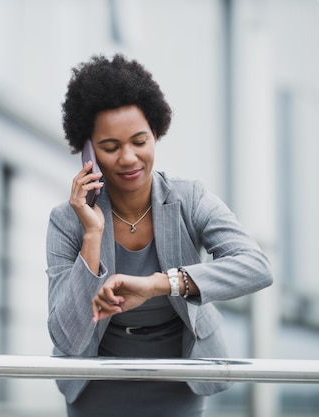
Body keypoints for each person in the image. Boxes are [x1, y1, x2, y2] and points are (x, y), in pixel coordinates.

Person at [45, 53, 273, 417]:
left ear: (156, 134)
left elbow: (257, 267)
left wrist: (160, 284)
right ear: (88, 152)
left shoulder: (189, 198)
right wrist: (92, 234)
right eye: (110, 147)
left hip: (179, 376)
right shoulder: (67, 221)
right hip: (97, 383)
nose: (129, 158)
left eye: (139, 140)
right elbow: (68, 337)